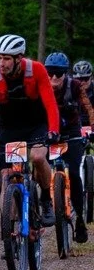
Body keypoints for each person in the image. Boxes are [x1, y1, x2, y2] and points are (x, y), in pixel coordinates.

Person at [0, 34, 60, 226]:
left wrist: (53, 130)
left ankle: (46, 199)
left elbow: (51, 104)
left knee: (37, 157)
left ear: (19, 58)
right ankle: (9, 232)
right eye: (0, 58)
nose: (2, 63)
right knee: (6, 175)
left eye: (7, 58)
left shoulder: (36, 70)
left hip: (37, 126)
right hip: (9, 129)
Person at [44, 52, 94, 243]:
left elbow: (88, 107)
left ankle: (80, 218)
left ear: (66, 73)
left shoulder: (74, 85)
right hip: (48, 130)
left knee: (73, 174)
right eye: (50, 74)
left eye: (59, 74)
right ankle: (45, 202)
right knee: (42, 169)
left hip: (71, 132)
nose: (54, 78)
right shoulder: (42, 86)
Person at [73, 60, 94, 126]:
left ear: (91, 77)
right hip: (77, 124)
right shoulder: (71, 89)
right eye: (79, 79)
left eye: (86, 78)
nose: (82, 82)